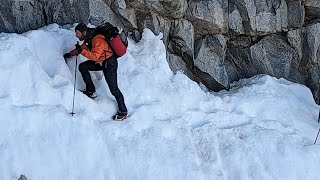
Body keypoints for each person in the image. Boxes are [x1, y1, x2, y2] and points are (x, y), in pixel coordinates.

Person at [63, 23, 128, 120]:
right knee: (83, 67)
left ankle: (123, 111)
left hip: (109, 64)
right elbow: (83, 48)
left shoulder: (97, 39)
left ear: (83, 32)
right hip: (101, 62)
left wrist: (82, 52)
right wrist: (70, 54)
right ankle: (91, 91)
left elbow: (95, 56)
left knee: (114, 89)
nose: (76, 35)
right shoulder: (89, 38)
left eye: (77, 33)